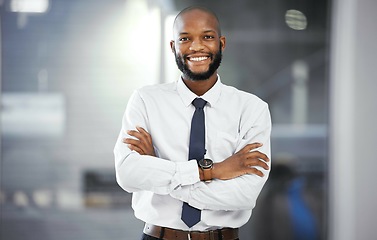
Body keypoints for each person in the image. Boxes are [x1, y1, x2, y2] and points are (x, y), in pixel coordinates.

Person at [114, 6, 271, 240]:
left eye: (207, 37)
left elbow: (243, 195)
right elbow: (128, 175)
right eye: (185, 39)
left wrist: (159, 171)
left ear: (221, 43)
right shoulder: (145, 100)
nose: (196, 47)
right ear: (173, 46)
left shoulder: (252, 109)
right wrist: (213, 171)